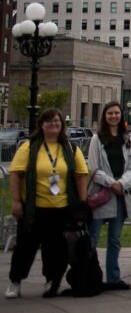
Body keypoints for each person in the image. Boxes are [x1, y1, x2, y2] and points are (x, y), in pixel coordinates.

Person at [5, 109, 89, 299]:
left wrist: (81, 203)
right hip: (34, 209)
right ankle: (15, 281)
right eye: (49, 121)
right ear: (41, 125)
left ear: (62, 125)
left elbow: (81, 174)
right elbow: (15, 174)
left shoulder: (70, 148)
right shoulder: (29, 147)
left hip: (60, 209)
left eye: (57, 121)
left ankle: (52, 280)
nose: (53, 124)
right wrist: (17, 201)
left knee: (55, 249)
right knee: (25, 248)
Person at [87, 101, 131, 290]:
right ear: (105, 116)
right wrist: (113, 183)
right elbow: (93, 168)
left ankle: (113, 277)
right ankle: (88, 276)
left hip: (120, 196)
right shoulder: (97, 139)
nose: (114, 116)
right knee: (92, 237)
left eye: (117, 113)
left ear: (121, 116)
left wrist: (122, 183)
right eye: (110, 113)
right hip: (101, 195)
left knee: (114, 240)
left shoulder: (127, 139)